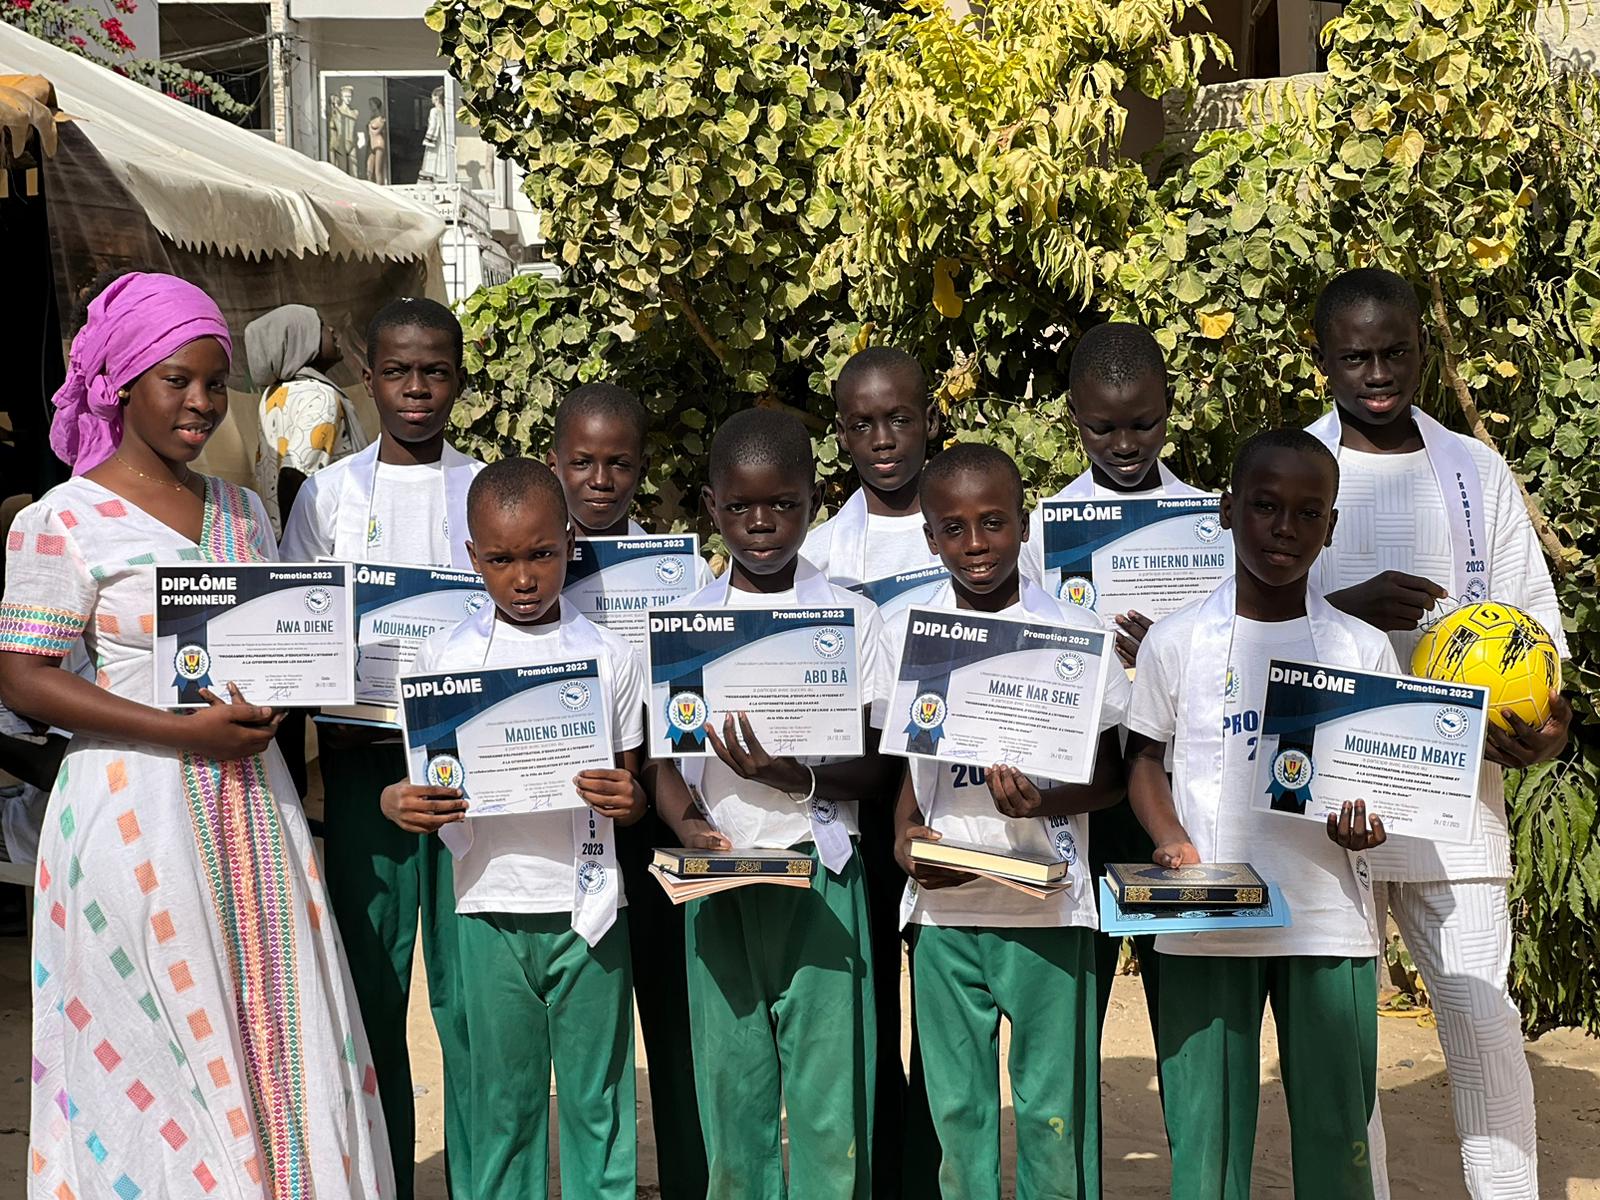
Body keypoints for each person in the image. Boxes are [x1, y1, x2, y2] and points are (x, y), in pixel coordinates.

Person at [0, 271, 391, 1198]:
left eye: (215, 384)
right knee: (151, 1047)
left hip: (255, 808)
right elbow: (24, 677)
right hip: (133, 822)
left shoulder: (244, 511)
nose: (202, 404)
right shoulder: (61, 522)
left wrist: (284, 693)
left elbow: (279, 645)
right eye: (178, 380)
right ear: (121, 383)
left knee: (273, 1028)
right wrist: (183, 732)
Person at [1306, 267, 1570, 1200]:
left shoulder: (1472, 468)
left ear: (1425, 349)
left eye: (1395, 352)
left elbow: (1533, 626)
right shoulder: (1295, 465)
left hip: (1456, 802)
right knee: (1348, 1049)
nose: (1377, 372)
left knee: (1484, 1024)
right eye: (1355, 356)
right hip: (1329, 802)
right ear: (1324, 358)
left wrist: (1539, 723)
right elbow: (1247, 622)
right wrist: (1351, 607)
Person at [1124, 428, 1396, 1200]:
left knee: (1336, 1137)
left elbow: (1385, 789)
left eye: (1309, 513)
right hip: (1206, 920)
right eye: (1266, 506)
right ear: (1226, 508)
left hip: (1325, 921)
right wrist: (1171, 837)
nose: (1285, 528)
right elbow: (1143, 760)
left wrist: (1369, 823)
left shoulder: (1362, 649)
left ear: (1331, 527)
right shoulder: (1177, 642)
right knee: (1205, 1149)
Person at [381, 457, 646, 1200]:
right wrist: (403, 804)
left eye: (541, 554)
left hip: (589, 908)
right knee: (506, 1107)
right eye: (499, 559)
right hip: (487, 908)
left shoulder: (610, 656)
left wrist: (628, 801)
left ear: (568, 542)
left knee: (598, 1108)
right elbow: (426, 789)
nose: (523, 577)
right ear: (472, 558)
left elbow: (630, 789)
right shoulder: (445, 660)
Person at [652, 407, 897, 1200]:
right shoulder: (686, 625)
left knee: (832, 1109)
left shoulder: (854, 620)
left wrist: (801, 778)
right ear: (711, 505)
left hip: (821, 876)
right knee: (734, 1100)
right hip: (719, 878)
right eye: (741, 506)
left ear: (813, 501)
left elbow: (879, 767)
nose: (762, 524)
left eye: (783, 504)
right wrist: (687, 822)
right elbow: (662, 759)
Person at [280, 296, 484, 1200]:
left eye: (434, 371)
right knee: (370, 1000)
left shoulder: (485, 487)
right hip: (363, 772)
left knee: (471, 1005)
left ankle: (484, 1180)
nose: (416, 389)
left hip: (467, 775)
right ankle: (381, 1178)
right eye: (398, 371)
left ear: (459, 378)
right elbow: (296, 639)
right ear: (369, 376)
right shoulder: (329, 495)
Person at [889, 443, 1130, 1200]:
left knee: (1051, 1114)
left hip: (1048, 909)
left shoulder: (1074, 637)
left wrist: (1046, 801)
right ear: (929, 538)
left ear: (1025, 526)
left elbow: (1116, 780)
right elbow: (911, 773)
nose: (975, 544)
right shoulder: (913, 634)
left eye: (993, 522)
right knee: (956, 1115)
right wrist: (904, 843)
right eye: (953, 528)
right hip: (942, 914)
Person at [545, 381, 711, 1200]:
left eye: (619, 463)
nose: (601, 479)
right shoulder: (531, 559)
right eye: (582, 461)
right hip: (564, 828)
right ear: (555, 462)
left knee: (677, 1024)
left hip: (661, 817)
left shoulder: (677, 575)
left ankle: (691, 1178)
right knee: (590, 1038)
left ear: (643, 470)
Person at [1041, 322, 1212, 1044]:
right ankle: (1073, 1162)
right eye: (1101, 428)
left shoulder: (1211, 524)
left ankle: (1197, 1155)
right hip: (1088, 789)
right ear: (1073, 417)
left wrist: (1172, 654)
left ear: (1170, 405)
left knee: (1186, 1006)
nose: (1124, 443)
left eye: (1144, 423)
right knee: (1074, 1011)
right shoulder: (1044, 535)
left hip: (1178, 792)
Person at [800, 345, 942, 1198]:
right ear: (841, 433)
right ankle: (878, 1174)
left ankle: (927, 1175)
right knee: (865, 1003)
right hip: (854, 800)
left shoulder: (978, 519)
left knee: (942, 1005)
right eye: (862, 423)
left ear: (931, 418)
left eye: (900, 418)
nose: (883, 438)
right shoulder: (821, 553)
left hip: (943, 802)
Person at [246, 304, 370, 538]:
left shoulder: (273, 395)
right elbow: (294, 474)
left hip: (278, 535)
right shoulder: (320, 396)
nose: (332, 330)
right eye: (321, 325)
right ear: (302, 340)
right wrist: (300, 548)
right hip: (321, 539)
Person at [419, 87, 446, 183]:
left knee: (431, 163)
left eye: (432, 97)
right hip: (443, 141)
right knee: (440, 164)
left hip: (435, 142)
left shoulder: (434, 111)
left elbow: (433, 126)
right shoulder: (444, 110)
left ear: (436, 98)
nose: (431, 99)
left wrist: (428, 139)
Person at [367, 98, 389, 186]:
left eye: (372, 104)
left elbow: (377, 131)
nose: (371, 107)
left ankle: (380, 187)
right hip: (372, 143)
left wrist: (371, 129)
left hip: (379, 143)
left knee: (378, 170)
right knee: (369, 169)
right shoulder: (372, 117)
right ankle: (370, 187)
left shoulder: (381, 118)